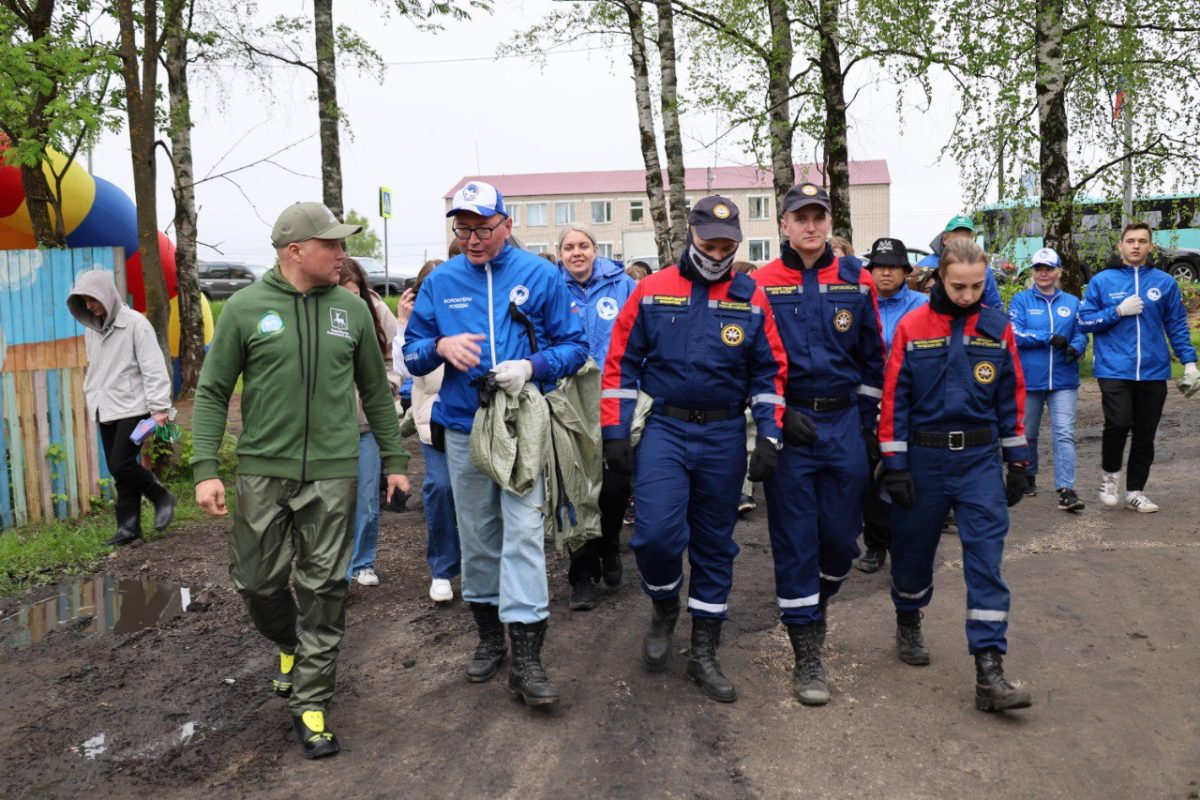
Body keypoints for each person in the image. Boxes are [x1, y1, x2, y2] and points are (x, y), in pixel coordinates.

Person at [190, 202, 409, 759]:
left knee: (323, 587)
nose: (343, 255)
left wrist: (395, 460)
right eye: (332, 245)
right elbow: (213, 393)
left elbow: (377, 394)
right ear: (296, 251)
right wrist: (206, 470)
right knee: (257, 582)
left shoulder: (353, 311)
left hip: (334, 472)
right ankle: (290, 644)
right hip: (264, 469)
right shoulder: (244, 308)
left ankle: (311, 704)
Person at [403, 180, 588, 706]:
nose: (473, 239)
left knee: (524, 532)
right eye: (463, 229)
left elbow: (574, 348)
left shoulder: (540, 275)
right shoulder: (441, 283)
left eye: (483, 228)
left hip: (523, 424)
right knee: (479, 537)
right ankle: (489, 638)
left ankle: (527, 656)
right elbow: (411, 354)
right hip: (463, 429)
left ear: (507, 225)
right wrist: (439, 344)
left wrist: (531, 366)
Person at [602, 196, 787, 704]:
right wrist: (615, 434)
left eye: (729, 245)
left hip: (725, 434)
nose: (719, 252)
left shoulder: (751, 297)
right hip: (667, 429)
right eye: (710, 243)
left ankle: (705, 648)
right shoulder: (652, 289)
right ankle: (664, 605)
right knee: (657, 536)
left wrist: (770, 435)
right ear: (691, 235)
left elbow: (768, 373)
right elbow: (620, 364)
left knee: (713, 543)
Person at [879, 237, 1032, 713]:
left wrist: (1019, 462)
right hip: (923, 463)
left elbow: (1012, 398)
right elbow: (893, 401)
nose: (967, 295)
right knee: (911, 553)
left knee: (986, 562)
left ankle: (990, 669)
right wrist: (896, 465)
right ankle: (908, 615)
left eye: (976, 286)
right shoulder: (912, 325)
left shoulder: (996, 328)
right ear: (939, 279)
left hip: (979, 463)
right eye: (958, 286)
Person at [752, 183, 884, 705]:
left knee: (839, 539)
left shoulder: (857, 279)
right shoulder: (760, 284)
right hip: (790, 427)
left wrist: (868, 424)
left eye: (818, 217)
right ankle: (807, 650)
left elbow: (875, 359)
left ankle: (819, 599)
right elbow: (753, 362)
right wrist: (777, 417)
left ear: (829, 223)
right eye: (800, 217)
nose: (810, 226)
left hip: (843, 423)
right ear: (783, 224)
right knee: (794, 539)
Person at [1078, 221, 1198, 512]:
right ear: (1121, 245)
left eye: (1141, 241)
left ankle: (1135, 491)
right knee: (1118, 423)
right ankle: (1110, 476)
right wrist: (1117, 311)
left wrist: (1190, 363)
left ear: (1150, 246)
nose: (1135, 245)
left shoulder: (1164, 282)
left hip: (1153, 370)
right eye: (1130, 240)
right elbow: (1084, 321)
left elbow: (1177, 326)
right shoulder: (1102, 281)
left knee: (1146, 433)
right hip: (1113, 368)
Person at [556, 224, 637, 610]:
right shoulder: (550, 286)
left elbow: (642, 332)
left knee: (615, 484)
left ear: (595, 249)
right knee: (575, 485)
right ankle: (582, 574)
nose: (577, 253)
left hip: (612, 394)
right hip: (567, 397)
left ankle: (610, 546)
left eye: (583, 246)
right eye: (569, 247)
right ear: (560, 254)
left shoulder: (622, 285)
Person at [66, 270, 175, 547]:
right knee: (119, 470)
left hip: (133, 406)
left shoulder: (136, 324)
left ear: (107, 294)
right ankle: (128, 528)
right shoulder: (92, 330)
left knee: (121, 463)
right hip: (105, 407)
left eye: (92, 299)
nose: (89, 306)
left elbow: (153, 367)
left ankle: (161, 496)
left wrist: (160, 408)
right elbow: (96, 367)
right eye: (84, 301)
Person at [857, 236, 928, 574]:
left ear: (904, 270)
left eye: (893, 267)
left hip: (909, 403)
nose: (885, 273)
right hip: (868, 402)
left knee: (903, 474)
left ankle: (904, 543)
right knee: (870, 476)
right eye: (879, 266)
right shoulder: (859, 301)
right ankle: (875, 545)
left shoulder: (920, 305)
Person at [393, 260, 462, 603]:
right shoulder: (418, 324)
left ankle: (486, 565)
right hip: (433, 420)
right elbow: (406, 369)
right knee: (439, 486)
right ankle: (442, 569)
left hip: (475, 416)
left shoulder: (466, 308)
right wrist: (404, 324)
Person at [1008, 247, 1088, 511]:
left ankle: (1067, 489)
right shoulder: (1021, 300)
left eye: (1049, 268)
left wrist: (1076, 347)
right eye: (1038, 269)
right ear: (1033, 272)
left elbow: (1081, 332)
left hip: (1064, 379)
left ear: (1058, 271)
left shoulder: (1072, 302)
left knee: (1064, 433)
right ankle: (1029, 474)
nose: (1043, 273)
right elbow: (1015, 334)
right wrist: (1049, 337)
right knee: (1028, 433)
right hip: (1030, 379)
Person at [339, 257, 402, 586]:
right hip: (332, 428)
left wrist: (388, 384)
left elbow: (394, 359)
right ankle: (337, 567)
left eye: (353, 293)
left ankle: (363, 562)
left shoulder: (376, 312)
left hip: (368, 423)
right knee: (337, 502)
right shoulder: (321, 313)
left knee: (366, 497)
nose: (348, 301)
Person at [916, 215, 1002, 308]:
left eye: (966, 241)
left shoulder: (983, 269)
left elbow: (994, 305)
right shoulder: (925, 266)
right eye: (956, 241)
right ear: (945, 239)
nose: (960, 246)